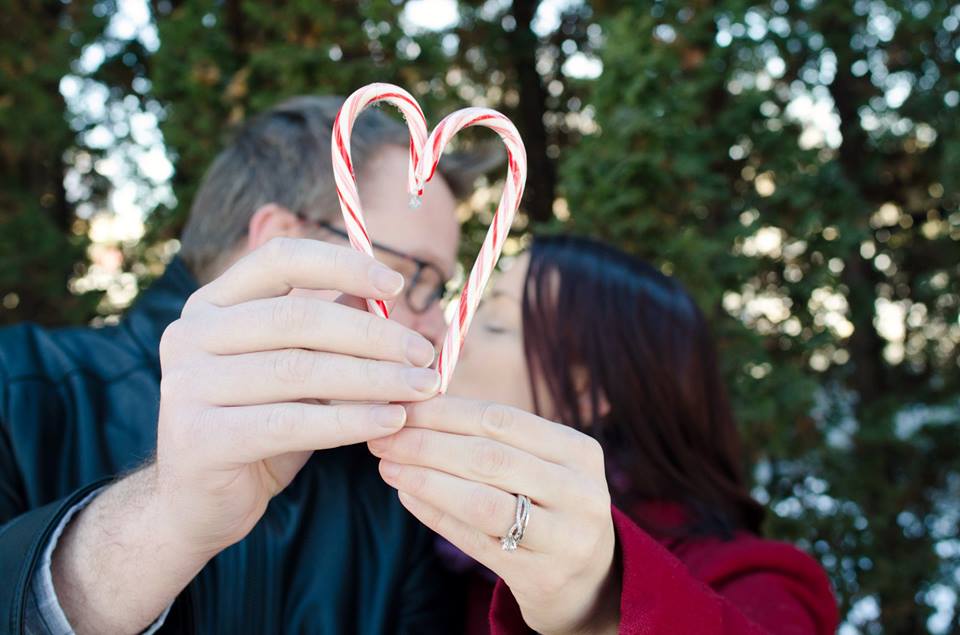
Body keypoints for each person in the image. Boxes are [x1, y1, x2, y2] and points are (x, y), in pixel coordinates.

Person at [0, 95, 494, 633]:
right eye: (412, 276)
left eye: (440, 290)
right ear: (281, 241)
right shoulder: (17, 389)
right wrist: (163, 521)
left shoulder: (391, 495)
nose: (442, 329)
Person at [367, 234, 840, 634]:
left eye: (491, 323)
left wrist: (599, 605)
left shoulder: (756, 582)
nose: (447, 334)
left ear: (588, 388)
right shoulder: (421, 547)